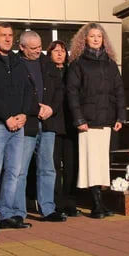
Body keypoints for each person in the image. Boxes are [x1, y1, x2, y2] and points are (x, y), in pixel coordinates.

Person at [0, 22, 35, 231]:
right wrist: (7, 117)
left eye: (11, 35)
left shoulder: (17, 62)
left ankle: (6, 214)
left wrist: (23, 114)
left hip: (18, 124)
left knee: (13, 171)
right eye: (3, 35)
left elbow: (29, 90)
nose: (8, 38)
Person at [66, 23, 125, 218]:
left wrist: (120, 116)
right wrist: (79, 118)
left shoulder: (110, 63)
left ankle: (101, 201)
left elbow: (119, 91)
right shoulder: (78, 63)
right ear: (85, 39)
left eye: (99, 36)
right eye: (92, 36)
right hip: (88, 122)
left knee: (102, 162)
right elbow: (72, 93)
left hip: (106, 120)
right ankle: (96, 203)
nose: (96, 39)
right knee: (90, 162)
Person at [18, 31, 65, 222]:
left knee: (48, 168)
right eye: (33, 48)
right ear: (22, 47)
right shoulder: (16, 64)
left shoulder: (47, 63)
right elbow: (15, 93)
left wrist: (51, 109)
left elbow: (59, 90)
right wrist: (33, 108)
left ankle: (48, 208)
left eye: (39, 47)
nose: (38, 51)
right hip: (27, 123)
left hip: (47, 123)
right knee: (20, 170)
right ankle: (18, 211)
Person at [47, 40, 79, 216]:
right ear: (49, 53)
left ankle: (70, 201)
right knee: (53, 166)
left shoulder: (71, 71)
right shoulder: (47, 71)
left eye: (62, 51)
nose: (59, 54)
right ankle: (57, 202)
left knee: (70, 165)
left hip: (70, 125)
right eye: (55, 51)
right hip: (53, 124)